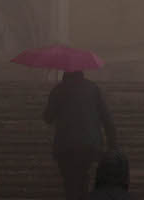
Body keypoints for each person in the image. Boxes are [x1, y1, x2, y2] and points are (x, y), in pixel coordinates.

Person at [43, 68, 117, 200]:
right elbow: (106, 118)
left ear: (65, 73)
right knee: (83, 177)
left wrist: (54, 97)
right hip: (89, 144)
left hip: (65, 146)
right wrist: (113, 145)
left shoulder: (59, 89)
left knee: (70, 181)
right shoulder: (93, 88)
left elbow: (48, 118)